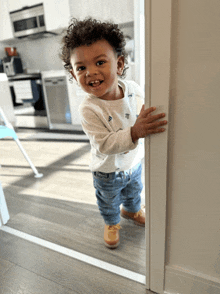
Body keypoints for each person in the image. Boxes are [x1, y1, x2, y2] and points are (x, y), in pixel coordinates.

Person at [61, 17, 167, 249]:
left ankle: (131, 211)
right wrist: (135, 131)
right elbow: (104, 144)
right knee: (109, 202)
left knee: (134, 191)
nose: (90, 72)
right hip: (107, 171)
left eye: (100, 62)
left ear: (119, 65)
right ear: (73, 73)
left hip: (134, 162)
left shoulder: (134, 89)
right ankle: (112, 222)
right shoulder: (89, 108)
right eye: (81, 67)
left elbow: (143, 116)